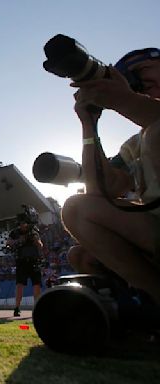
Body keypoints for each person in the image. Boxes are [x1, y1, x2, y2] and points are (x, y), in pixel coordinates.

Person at [62, 48, 160, 305]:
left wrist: (124, 99)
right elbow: (99, 191)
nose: (141, 84)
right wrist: (89, 124)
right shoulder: (135, 145)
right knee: (77, 211)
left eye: (141, 71)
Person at [7, 212, 43, 317]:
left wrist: (36, 241)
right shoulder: (14, 232)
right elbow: (8, 244)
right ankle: (17, 307)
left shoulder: (34, 231)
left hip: (34, 260)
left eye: (24, 223)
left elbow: (40, 245)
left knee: (36, 284)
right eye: (21, 223)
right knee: (20, 285)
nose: (23, 225)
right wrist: (19, 240)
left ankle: (37, 307)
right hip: (21, 261)